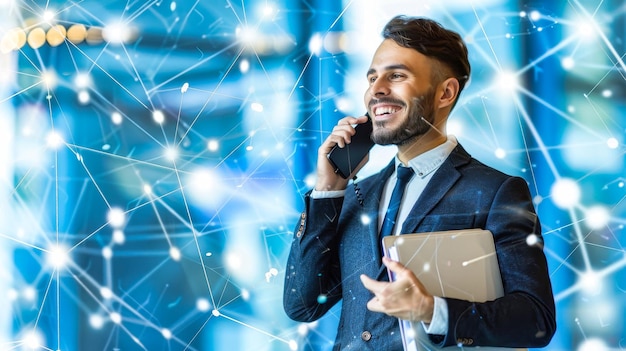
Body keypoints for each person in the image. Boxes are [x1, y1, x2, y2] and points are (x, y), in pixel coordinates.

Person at [283, 15, 556, 350]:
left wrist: (431, 310)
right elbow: (302, 305)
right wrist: (328, 190)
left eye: (396, 75)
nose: (376, 89)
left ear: (445, 93)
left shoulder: (495, 192)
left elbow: (536, 322)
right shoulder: (358, 193)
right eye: (372, 78)